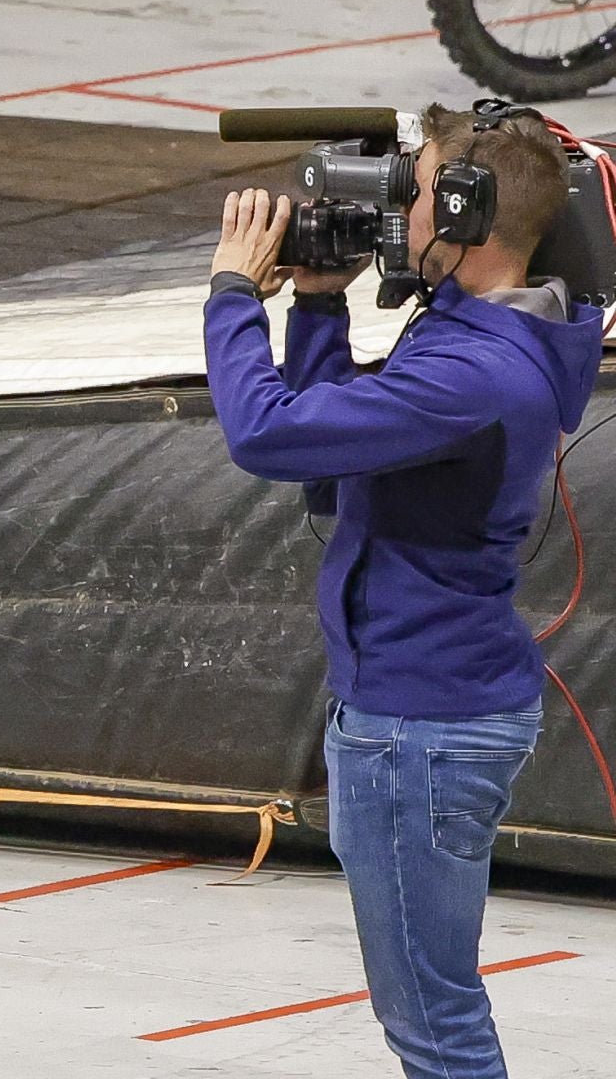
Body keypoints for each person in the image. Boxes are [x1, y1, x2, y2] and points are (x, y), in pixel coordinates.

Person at [201, 104, 602, 1079]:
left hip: (418, 729)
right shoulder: (492, 333)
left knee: (432, 1017)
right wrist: (324, 304)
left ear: (464, 218)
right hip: (431, 711)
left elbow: (269, 436)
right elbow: (337, 475)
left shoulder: (471, 371)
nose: (397, 211)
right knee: (431, 1001)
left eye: (413, 193)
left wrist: (230, 296)